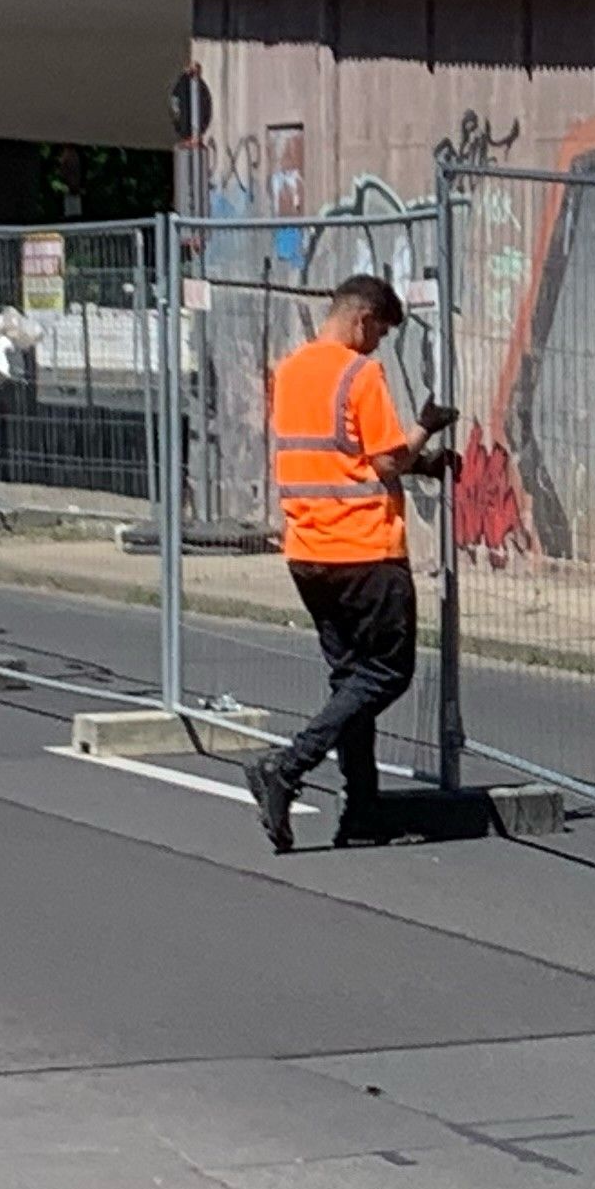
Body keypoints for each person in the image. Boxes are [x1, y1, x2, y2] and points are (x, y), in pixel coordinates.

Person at [241, 276, 453, 854]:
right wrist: (426, 427)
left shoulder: (289, 371)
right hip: (364, 552)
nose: (378, 344)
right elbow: (384, 461)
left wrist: (425, 465)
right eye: (380, 333)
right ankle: (287, 768)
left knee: (350, 679)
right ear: (362, 319)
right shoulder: (360, 374)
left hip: (309, 554)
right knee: (387, 672)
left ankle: (361, 808)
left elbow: (341, 458)